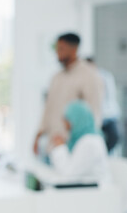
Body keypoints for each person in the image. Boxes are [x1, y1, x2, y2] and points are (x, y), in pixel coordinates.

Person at [33, 33, 103, 161]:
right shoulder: (56, 77)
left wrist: (84, 147)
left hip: (74, 150)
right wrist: (38, 135)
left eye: (61, 49)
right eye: (56, 49)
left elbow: (94, 113)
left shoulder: (89, 76)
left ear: (74, 49)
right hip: (53, 146)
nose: (57, 53)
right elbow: (49, 108)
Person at [49, 100, 109, 180]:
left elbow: (68, 176)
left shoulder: (89, 142)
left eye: (67, 119)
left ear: (77, 120)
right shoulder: (80, 140)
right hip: (87, 189)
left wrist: (60, 147)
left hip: (97, 191)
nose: (64, 124)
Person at [86, 57, 121, 152]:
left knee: (114, 137)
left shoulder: (105, 76)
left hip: (108, 115)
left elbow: (110, 97)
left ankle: (105, 154)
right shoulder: (84, 79)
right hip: (93, 117)